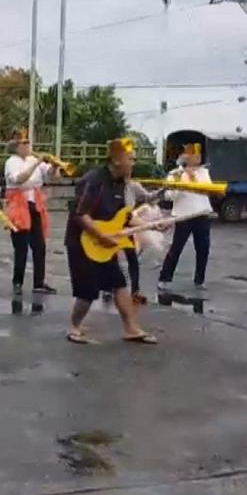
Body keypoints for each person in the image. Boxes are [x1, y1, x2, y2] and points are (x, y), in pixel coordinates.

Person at [65, 137, 157, 345]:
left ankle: (131, 329)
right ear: (116, 160)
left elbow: (124, 216)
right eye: (130, 159)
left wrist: (152, 224)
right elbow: (80, 214)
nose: (133, 163)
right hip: (83, 241)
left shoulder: (121, 185)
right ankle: (74, 327)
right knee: (87, 292)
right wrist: (100, 235)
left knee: (119, 282)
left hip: (105, 240)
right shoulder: (94, 180)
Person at [4, 130, 59, 295]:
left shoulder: (34, 159)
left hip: (35, 203)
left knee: (39, 246)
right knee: (21, 247)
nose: (28, 145)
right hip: (18, 204)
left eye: (28, 142)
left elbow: (52, 176)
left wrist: (55, 166)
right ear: (17, 146)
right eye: (24, 143)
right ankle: (18, 281)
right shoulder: (11, 162)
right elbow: (18, 179)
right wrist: (36, 164)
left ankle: (39, 282)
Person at [157, 143, 214, 291]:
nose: (198, 158)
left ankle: (199, 280)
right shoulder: (175, 174)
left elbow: (208, 191)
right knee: (176, 248)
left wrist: (194, 177)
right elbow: (169, 196)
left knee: (203, 249)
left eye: (199, 156)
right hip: (183, 216)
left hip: (202, 214)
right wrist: (182, 179)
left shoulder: (204, 173)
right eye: (194, 156)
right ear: (186, 157)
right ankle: (165, 278)